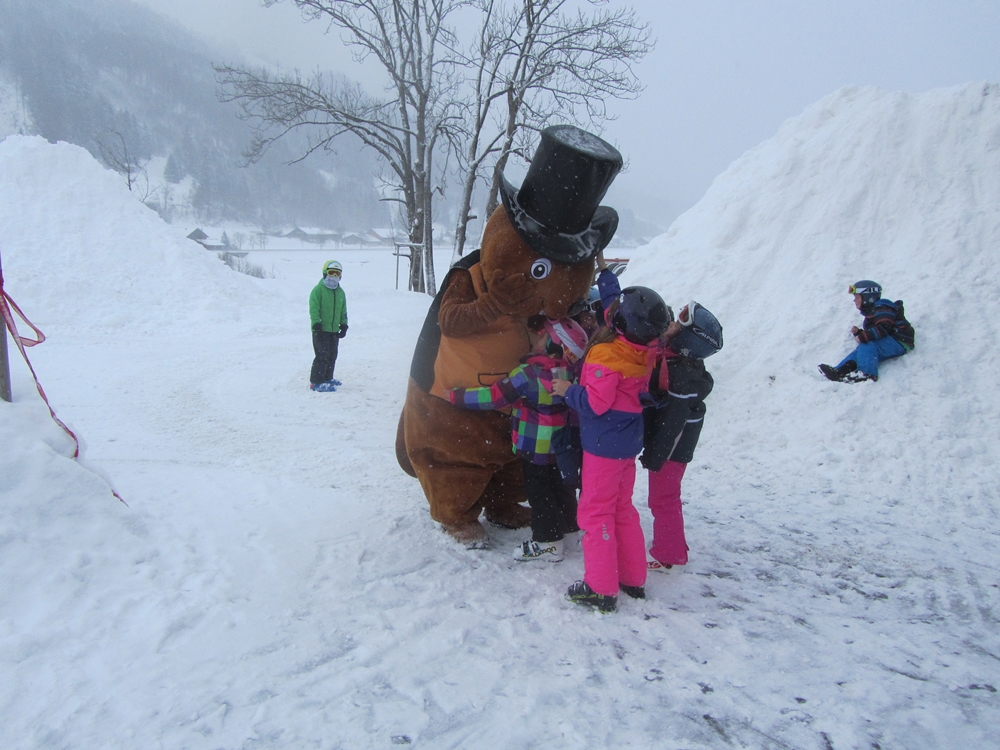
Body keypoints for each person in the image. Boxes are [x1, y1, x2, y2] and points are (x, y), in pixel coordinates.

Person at [552, 285, 671, 612]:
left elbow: (596, 403)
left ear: (620, 320)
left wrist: (568, 390)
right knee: (621, 508)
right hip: (627, 443)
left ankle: (600, 588)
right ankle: (633, 579)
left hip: (604, 446)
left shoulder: (608, 354)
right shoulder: (644, 348)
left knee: (595, 512)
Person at [448, 317, 590, 562]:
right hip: (562, 445)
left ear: (553, 345)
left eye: (542, 336)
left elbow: (493, 396)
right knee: (561, 487)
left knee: (539, 493)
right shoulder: (569, 373)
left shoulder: (528, 375)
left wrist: (458, 397)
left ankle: (548, 542)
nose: (536, 338)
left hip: (535, 446)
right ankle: (569, 530)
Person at [640, 301, 722, 572]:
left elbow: (674, 424)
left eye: (680, 324)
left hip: (672, 449)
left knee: (663, 499)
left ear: (688, 340)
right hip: (671, 445)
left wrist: (655, 455)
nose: (672, 325)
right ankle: (675, 544)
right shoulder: (678, 360)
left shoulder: (681, 375)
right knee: (666, 497)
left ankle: (669, 554)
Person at [819, 280, 914, 383]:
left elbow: (883, 328)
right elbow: (877, 332)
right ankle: (839, 371)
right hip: (892, 341)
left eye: (857, 297)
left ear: (867, 298)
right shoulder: (873, 311)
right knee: (861, 351)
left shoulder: (882, 307)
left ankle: (867, 374)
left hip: (900, 340)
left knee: (867, 345)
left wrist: (863, 336)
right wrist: (859, 333)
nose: (854, 300)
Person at [309, 260, 349, 392]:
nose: (334, 276)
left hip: (333, 330)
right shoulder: (318, 290)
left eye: (337, 274)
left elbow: (343, 311)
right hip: (320, 330)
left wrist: (343, 325)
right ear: (325, 273)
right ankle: (316, 382)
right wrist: (316, 323)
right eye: (331, 273)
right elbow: (314, 308)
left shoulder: (340, 292)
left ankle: (327, 378)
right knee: (322, 356)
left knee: (332, 355)